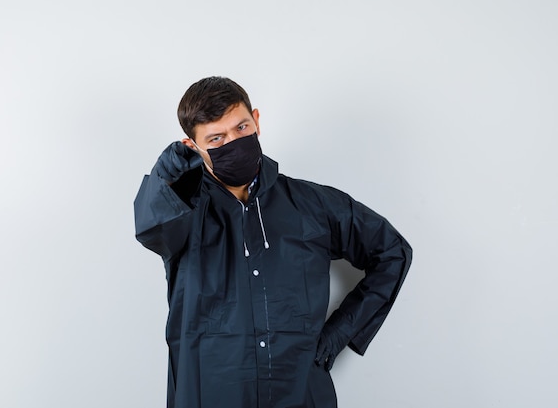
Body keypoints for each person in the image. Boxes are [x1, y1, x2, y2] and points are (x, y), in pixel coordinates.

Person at [134, 76, 412, 408]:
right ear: (193, 147)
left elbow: (392, 252)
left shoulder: (313, 205)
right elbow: (151, 228)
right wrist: (167, 174)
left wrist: (339, 334)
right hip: (211, 394)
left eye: (241, 128)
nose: (234, 142)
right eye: (217, 138)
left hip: (299, 393)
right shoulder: (182, 212)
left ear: (257, 121)